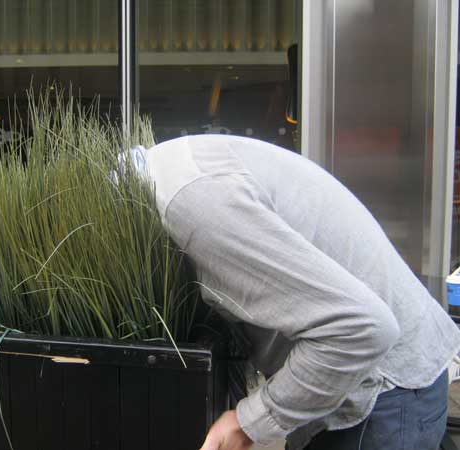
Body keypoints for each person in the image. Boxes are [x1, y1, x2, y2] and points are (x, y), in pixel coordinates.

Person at [131, 135, 460, 450]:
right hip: (369, 389)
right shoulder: (166, 165)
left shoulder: (191, 206)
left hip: (382, 397)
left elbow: (363, 330)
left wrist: (249, 423)